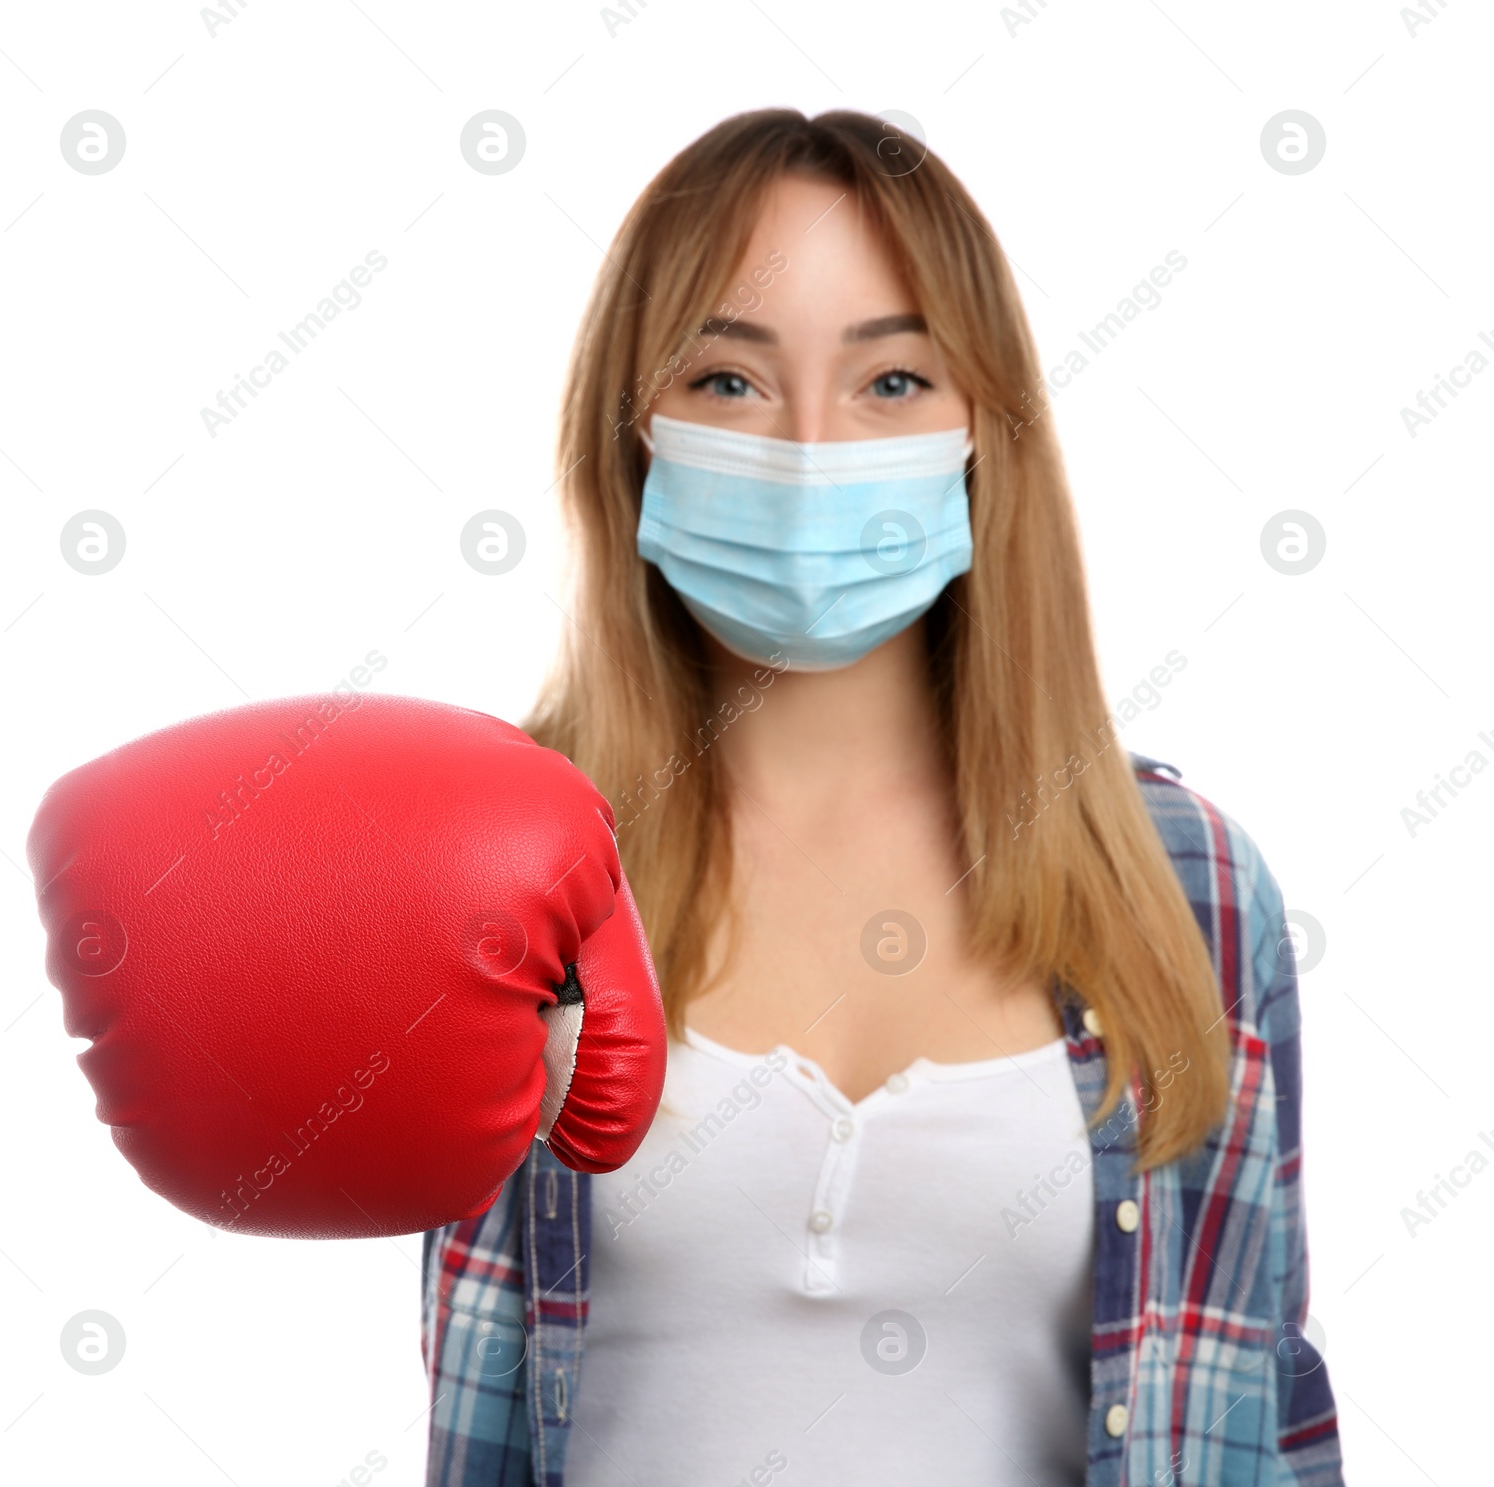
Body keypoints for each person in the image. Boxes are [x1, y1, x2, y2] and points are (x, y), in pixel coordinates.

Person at [421, 108, 1344, 1486]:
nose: (808, 449)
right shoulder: (488, 865)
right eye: (727, 382)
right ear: (633, 432)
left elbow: (1262, 1409)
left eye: (892, 382)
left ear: (986, 428)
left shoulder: (1190, 888)